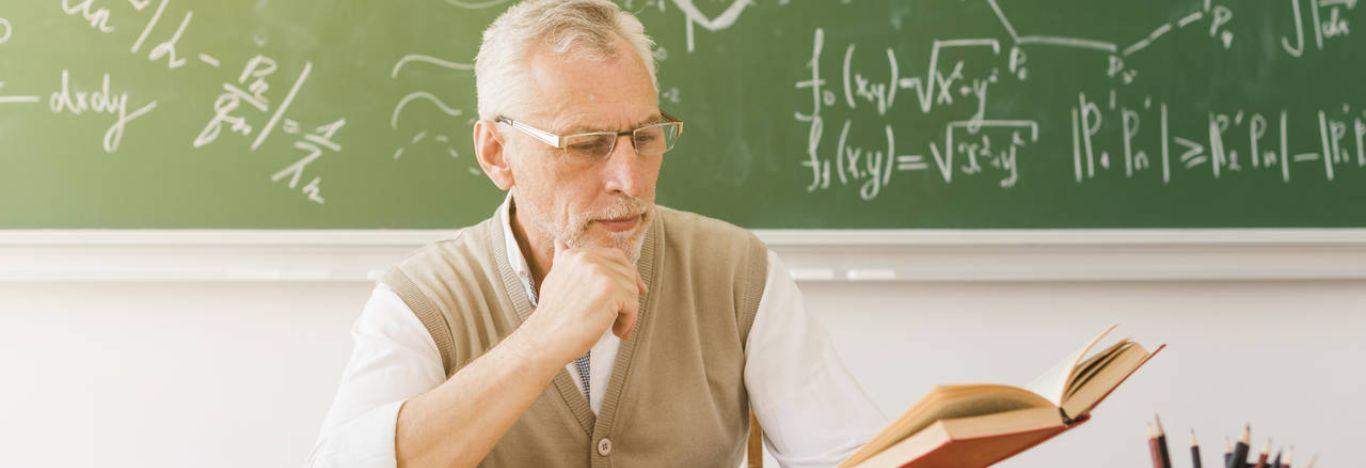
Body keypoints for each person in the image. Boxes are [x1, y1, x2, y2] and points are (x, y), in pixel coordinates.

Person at [308, 1, 884, 466]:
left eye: (646, 136)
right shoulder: (424, 299)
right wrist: (545, 339)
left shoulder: (737, 274)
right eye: (585, 145)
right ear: (495, 152)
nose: (629, 179)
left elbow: (851, 453)